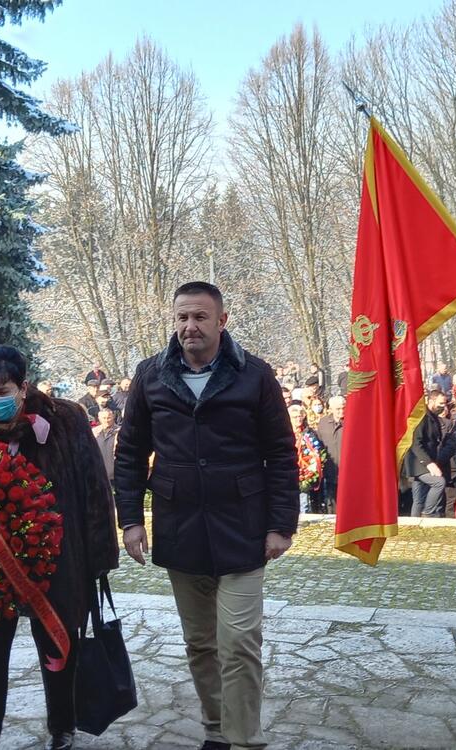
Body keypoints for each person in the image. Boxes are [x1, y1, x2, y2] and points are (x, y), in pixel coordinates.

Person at [114, 281, 298, 750]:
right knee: (201, 643)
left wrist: (281, 525)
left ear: (222, 321)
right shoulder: (151, 375)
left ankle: (246, 737)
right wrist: (131, 518)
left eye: (199, 317)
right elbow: (131, 451)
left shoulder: (254, 376)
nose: (189, 327)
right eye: (181, 318)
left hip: (244, 528)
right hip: (180, 527)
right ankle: (216, 729)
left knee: (238, 640)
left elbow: (280, 453)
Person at [0, 345, 118, 750]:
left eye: (1, 390)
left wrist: (97, 560)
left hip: (56, 560)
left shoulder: (66, 421)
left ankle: (62, 726)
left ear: (22, 387)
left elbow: (94, 490)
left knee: (58, 648)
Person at [404, 391, 452, 517]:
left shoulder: (434, 418)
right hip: (418, 462)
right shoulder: (422, 416)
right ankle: (428, 512)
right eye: (440, 403)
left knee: (419, 498)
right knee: (439, 482)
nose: (443, 406)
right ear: (431, 401)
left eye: (445, 403)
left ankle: (414, 525)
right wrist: (429, 463)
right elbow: (415, 443)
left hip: (427, 460)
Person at [289, 402, 328, 514]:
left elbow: (317, 450)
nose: (298, 419)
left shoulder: (309, 433)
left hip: (305, 473)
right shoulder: (284, 432)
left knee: (304, 503)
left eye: (300, 416)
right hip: (289, 472)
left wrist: (312, 468)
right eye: (295, 417)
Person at [316, 396, 345, 513]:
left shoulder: (352, 421)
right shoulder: (323, 423)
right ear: (331, 409)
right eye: (338, 409)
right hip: (330, 469)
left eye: (343, 408)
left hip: (347, 469)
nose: (341, 411)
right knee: (332, 500)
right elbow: (319, 443)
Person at [94, 407, 118, 485]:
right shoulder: (94, 433)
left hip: (115, 474)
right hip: (98, 473)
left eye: (109, 417)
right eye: (104, 418)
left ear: (113, 417)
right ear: (99, 419)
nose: (107, 420)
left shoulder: (120, 432)